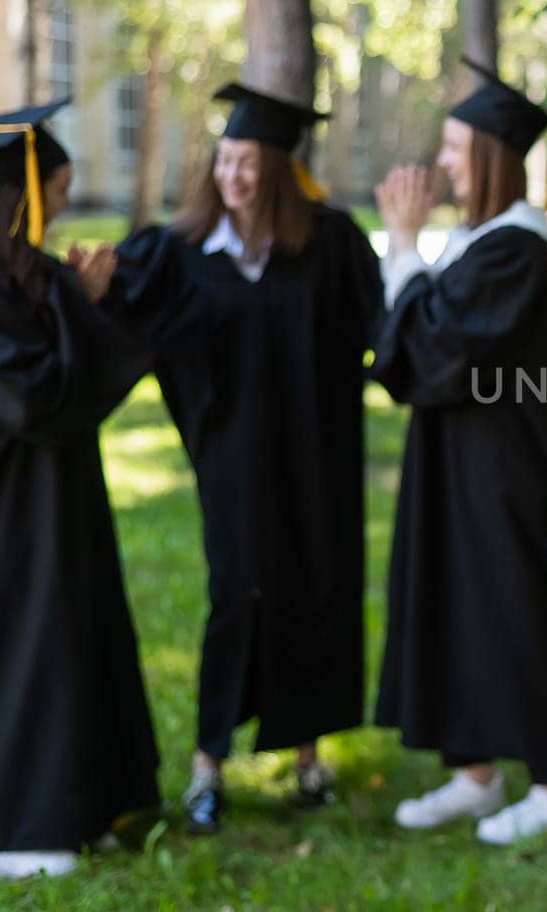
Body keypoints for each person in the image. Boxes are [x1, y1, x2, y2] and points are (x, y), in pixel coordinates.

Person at [104, 82, 383, 834]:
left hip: (318, 461)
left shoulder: (330, 245)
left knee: (314, 588)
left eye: (250, 162)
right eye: (225, 160)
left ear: (281, 171)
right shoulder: (182, 253)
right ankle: (208, 763)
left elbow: (383, 332)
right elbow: (107, 306)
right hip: (231, 461)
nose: (234, 176)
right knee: (236, 594)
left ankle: (307, 755)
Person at [0, 100, 161, 878]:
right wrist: (80, 311)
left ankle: (88, 804)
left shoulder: (21, 275)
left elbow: (79, 363)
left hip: (56, 502)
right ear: (23, 191)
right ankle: (20, 834)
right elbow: (37, 398)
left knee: (74, 636)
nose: (63, 202)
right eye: (56, 187)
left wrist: (82, 302)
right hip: (4, 513)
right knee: (25, 648)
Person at [371, 59, 547, 845]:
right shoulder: (477, 242)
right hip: (452, 457)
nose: (445, 159)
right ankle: (476, 774)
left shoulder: (514, 250)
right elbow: (419, 347)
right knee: (452, 603)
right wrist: (412, 257)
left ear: (492, 154)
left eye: (457, 146)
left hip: (499, 467)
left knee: (508, 609)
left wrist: (401, 246)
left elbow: (434, 353)